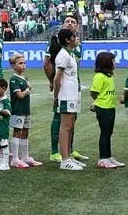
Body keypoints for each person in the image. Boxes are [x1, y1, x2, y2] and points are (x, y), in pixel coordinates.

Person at [43, 14, 86, 163]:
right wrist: (52, 82)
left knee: (72, 118)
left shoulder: (77, 45)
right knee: (60, 117)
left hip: (75, 85)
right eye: (66, 21)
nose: (69, 23)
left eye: (72, 22)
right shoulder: (57, 44)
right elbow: (47, 63)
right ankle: (56, 151)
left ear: (77, 26)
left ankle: (69, 149)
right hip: (63, 87)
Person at [51, 27, 82, 171]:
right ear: (68, 40)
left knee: (70, 125)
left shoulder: (69, 54)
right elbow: (57, 78)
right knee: (66, 126)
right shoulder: (63, 55)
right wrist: (56, 96)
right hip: (66, 95)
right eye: (75, 37)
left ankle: (68, 156)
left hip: (71, 94)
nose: (77, 39)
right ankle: (64, 160)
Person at [7, 52, 41, 168]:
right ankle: (15, 159)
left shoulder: (24, 78)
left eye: (24, 63)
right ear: (13, 66)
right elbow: (20, 95)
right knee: (17, 132)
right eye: (20, 63)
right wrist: (28, 89)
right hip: (18, 110)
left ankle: (25, 156)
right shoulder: (14, 79)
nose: (24, 65)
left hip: (26, 110)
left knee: (25, 132)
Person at [89, 51, 121, 169]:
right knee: (105, 133)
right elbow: (93, 92)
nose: (115, 63)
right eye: (113, 61)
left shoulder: (109, 75)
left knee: (109, 132)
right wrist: (98, 103)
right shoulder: (99, 76)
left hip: (110, 107)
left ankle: (108, 156)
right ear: (106, 62)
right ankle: (103, 159)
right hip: (103, 108)